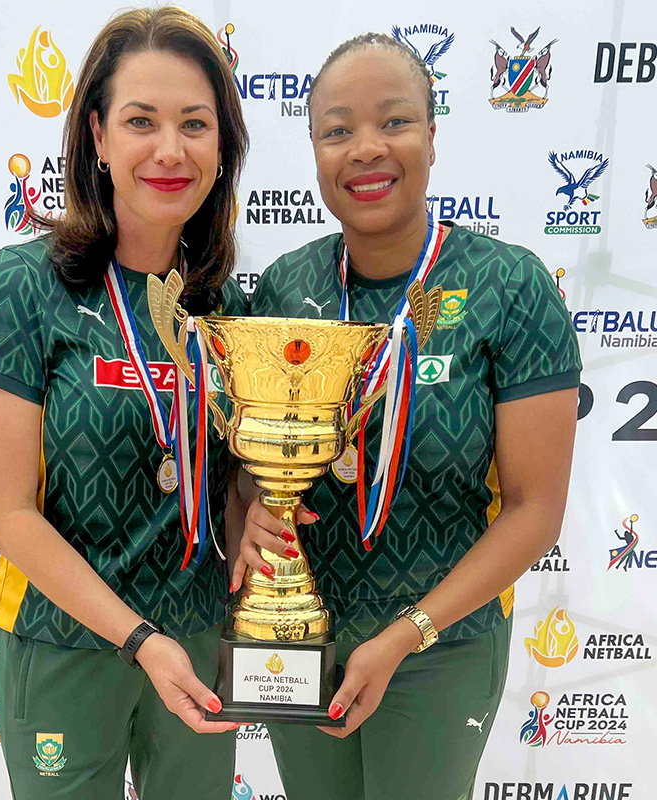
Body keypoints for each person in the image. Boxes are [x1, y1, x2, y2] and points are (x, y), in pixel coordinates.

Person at [233, 33, 581, 800]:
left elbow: (534, 511)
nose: (365, 149)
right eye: (336, 130)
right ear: (314, 150)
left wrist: (403, 637)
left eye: (394, 122)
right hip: (302, 637)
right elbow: (246, 467)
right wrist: (248, 513)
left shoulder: (509, 286)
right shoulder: (286, 290)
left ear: (431, 136)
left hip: (438, 647)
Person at [0, 7, 248, 799]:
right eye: (140, 121)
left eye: (195, 123)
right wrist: (139, 639)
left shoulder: (227, 308)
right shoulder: (25, 286)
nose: (169, 149)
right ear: (96, 135)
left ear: (223, 147)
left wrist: (257, 511)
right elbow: (9, 514)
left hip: (195, 643)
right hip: (66, 643)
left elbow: (227, 474)